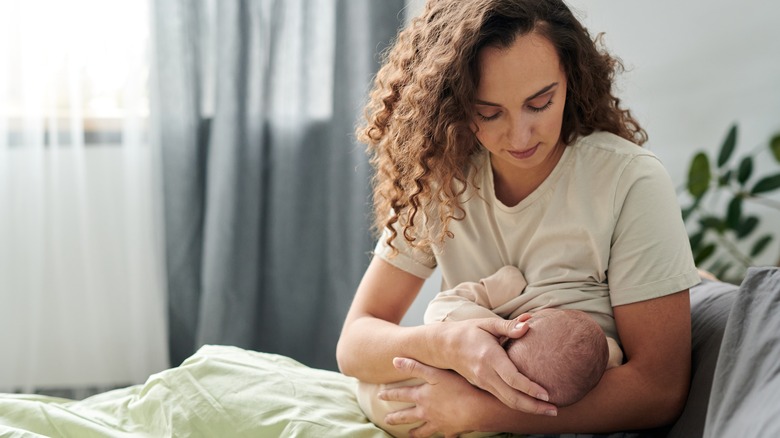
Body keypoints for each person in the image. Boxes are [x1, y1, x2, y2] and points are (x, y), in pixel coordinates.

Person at [336, 0, 701, 436]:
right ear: (454, 105)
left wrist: (481, 412)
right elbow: (355, 343)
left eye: (540, 103)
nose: (520, 135)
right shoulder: (442, 181)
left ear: (571, 76)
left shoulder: (629, 181)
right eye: (489, 113)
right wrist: (446, 345)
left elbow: (659, 390)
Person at [358, 271, 613, 437]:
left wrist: (501, 284)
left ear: (522, 321)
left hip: (378, 390)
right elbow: (605, 358)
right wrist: (609, 355)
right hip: (415, 425)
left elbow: (440, 307)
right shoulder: (500, 422)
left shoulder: (473, 325)